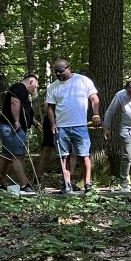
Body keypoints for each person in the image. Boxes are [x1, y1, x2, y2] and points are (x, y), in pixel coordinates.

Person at [45, 59, 102, 194]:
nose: (59, 75)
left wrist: (96, 115)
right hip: (61, 127)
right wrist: (53, 124)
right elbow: (50, 108)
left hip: (80, 125)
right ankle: (66, 184)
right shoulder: (53, 87)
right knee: (64, 156)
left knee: (84, 155)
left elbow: (94, 99)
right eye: (56, 73)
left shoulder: (83, 81)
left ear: (69, 68)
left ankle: (87, 183)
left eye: (61, 71)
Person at [0, 74, 39, 194]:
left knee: (7, 155)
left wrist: (32, 120)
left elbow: (24, 108)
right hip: (11, 128)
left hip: (9, 127)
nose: (35, 89)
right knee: (18, 156)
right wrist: (16, 121)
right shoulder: (19, 88)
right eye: (35, 86)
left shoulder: (21, 90)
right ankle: (24, 185)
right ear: (31, 81)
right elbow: (14, 102)